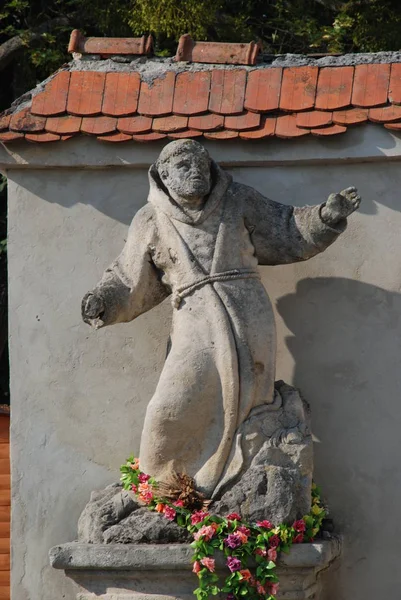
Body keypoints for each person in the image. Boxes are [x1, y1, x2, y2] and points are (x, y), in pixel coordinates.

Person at [82, 139, 361, 497]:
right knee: (170, 403)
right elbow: (127, 277)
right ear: (164, 175)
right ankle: (161, 491)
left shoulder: (238, 199)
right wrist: (102, 301)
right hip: (194, 319)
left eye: (202, 164)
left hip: (247, 312)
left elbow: (287, 227)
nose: (196, 171)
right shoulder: (150, 219)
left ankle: (238, 483)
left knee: (250, 402)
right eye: (184, 166)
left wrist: (325, 217)